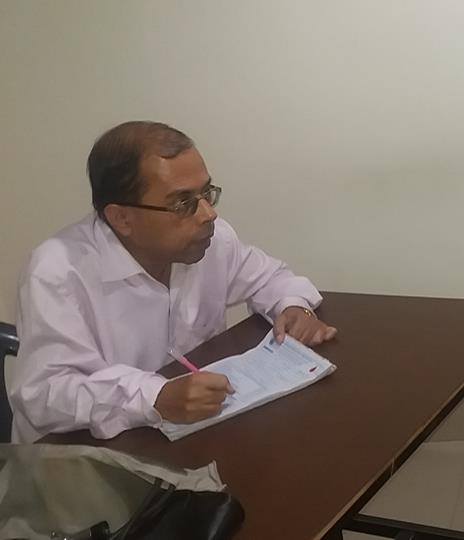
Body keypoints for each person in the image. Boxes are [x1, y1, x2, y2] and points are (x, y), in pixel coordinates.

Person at [9, 121, 338, 443]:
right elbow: (46, 394)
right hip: (80, 457)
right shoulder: (57, 272)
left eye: (206, 192)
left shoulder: (210, 240)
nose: (208, 214)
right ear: (122, 218)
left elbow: (271, 277)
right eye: (183, 203)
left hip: (189, 433)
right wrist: (154, 397)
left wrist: (293, 307)